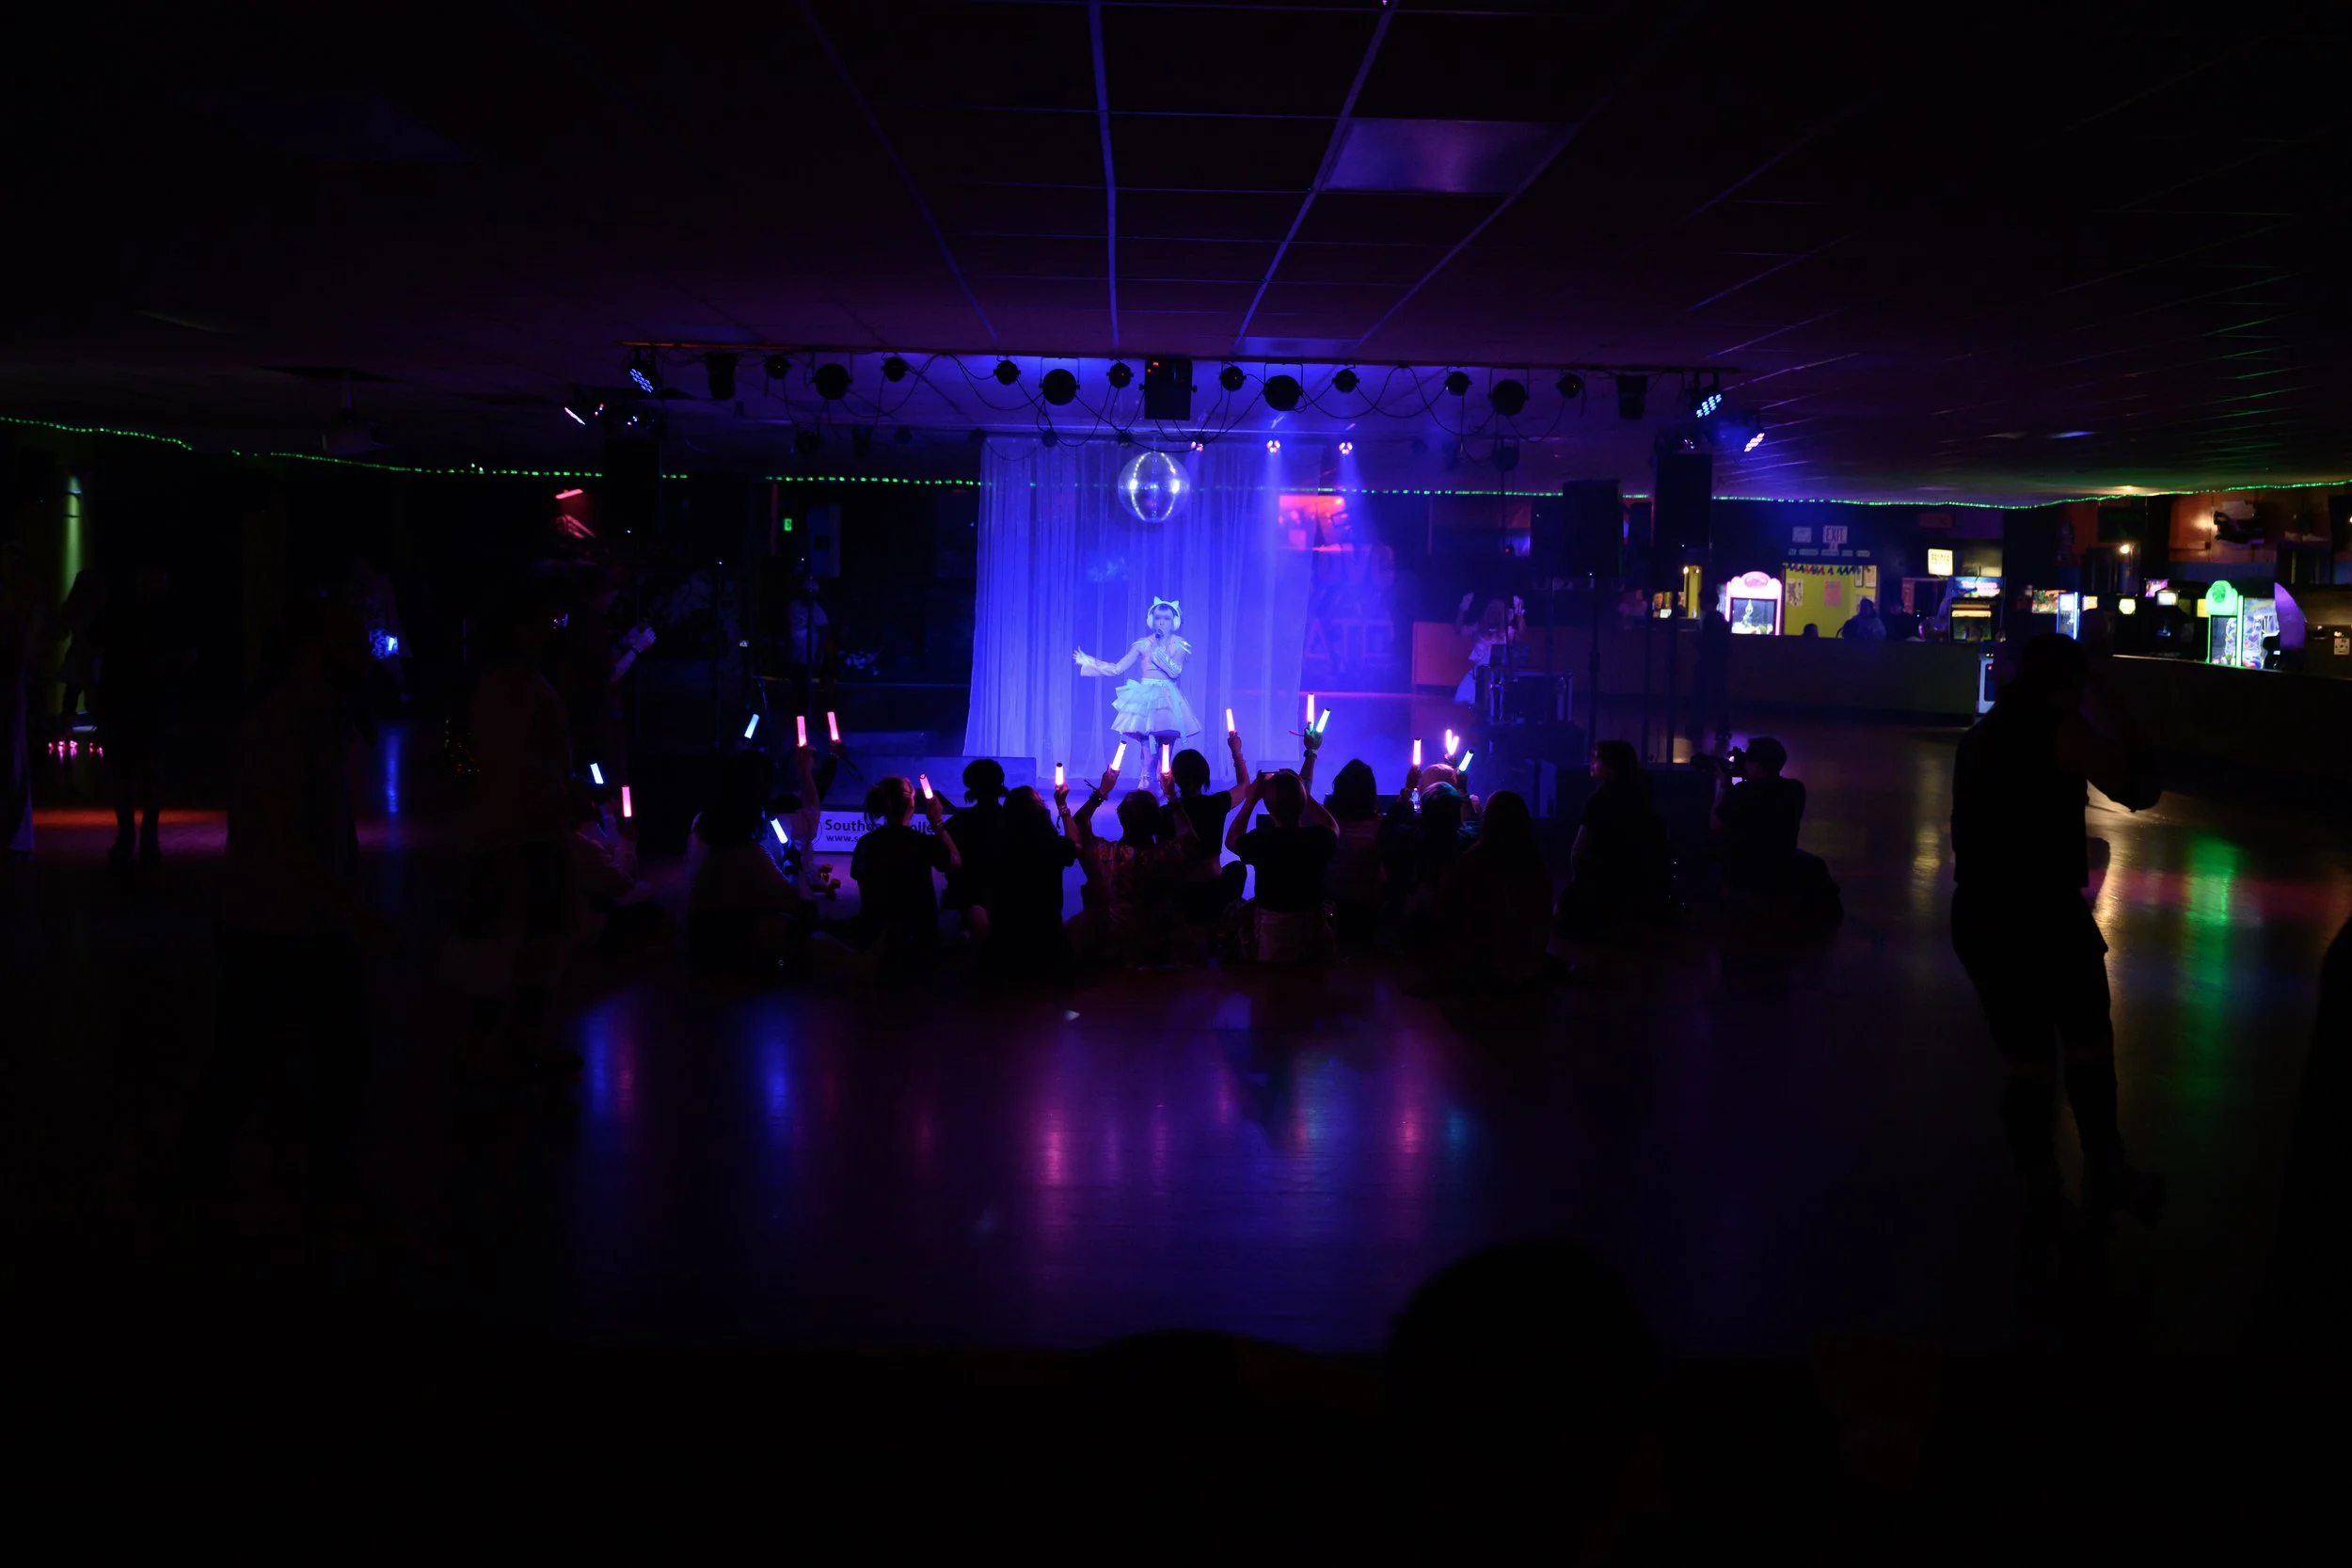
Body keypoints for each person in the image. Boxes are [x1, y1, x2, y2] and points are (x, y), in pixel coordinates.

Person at [169, 599, 400, 1213]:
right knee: (283, 1052)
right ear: (312, 650)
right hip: (275, 916)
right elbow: (285, 837)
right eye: (351, 641)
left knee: (267, 1052)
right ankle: (288, 1178)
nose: (363, 653)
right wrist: (351, 909)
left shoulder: (312, 716)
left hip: (280, 913)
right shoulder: (286, 724)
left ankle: (215, 1178)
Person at [1951, 632, 2162, 1228]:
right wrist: (2117, 706)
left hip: (1982, 914)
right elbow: (2139, 787)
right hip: (2042, 914)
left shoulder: (1981, 738)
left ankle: (2041, 1190)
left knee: (2028, 1063)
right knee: (2090, 1046)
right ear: (2069, 686)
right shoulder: (2062, 729)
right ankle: (2106, 1169)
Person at [451, 583, 578, 1083]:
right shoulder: (514, 685)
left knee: (519, 941)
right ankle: (500, 1047)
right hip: (521, 833)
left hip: (519, 828)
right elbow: (509, 768)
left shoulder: (507, 680)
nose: (555, 627)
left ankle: (502, 1047)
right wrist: (555, 802)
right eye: (547, 617)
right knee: (520, 942)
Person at [93, 562, 194, 876]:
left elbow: (96, 650)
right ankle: (143, 836)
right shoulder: (166, 616)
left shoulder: (124, 613)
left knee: (134, 771)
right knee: (142, 771)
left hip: (138, 703)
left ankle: (133, 836)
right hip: (140, 703)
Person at [686, 748, 820, 972]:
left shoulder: (699, 826)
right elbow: (801, 907)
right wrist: (805, 772)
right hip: (729, 950)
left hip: (697, 938)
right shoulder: (752, 849)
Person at [1059, 756, 1193, 965]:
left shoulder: (1104, 854)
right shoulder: (1166, 856)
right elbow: (1190, 839)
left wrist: (1102, 792)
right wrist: (1173, 798)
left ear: (1121, 818)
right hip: (1156, 950)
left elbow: (1079, 824)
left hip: (1109, 950)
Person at [1431, 790, 1556, 990]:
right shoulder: (1536, 863)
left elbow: (1451, 914)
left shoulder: (1474, 861)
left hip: (1484, 969)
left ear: (1490, 819)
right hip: (1528, 967)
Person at [1556, 741, 1672, 941]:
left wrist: (1579, 886)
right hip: (1636, 888)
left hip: (1600, 885)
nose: (1591, 762)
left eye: (1596, 758)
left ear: (1611, 768)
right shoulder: (1643, 797)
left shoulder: (1600, 800)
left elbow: (1578, 851)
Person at [1224, 768, 1339, 963]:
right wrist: (1304, 793)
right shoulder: (1316, 839)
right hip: (1312, 945)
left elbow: (1232, 839)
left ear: (1269, 808)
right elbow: (1333, 828)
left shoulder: (1262, 841)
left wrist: (1251, 799)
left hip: (1270, 945)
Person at [849, 775, 958, 962]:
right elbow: (955, 862)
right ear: (910, 804)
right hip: (919, 937)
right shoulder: (923, 842)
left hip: (875, 934)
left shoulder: (865, 843)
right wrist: (938, 824)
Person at [1075, 596, 1200, 760]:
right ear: (1151, 620)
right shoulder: (1142, 644)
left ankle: (1165, 779)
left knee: (1166, 749)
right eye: (1158, 618)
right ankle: (1146, 777)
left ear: (1174, 622)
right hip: (1145, 697)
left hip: (1167, 698)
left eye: (1166, 619)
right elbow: (1118, 668)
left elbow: (1174, 671)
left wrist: (1157, 650)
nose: (1161, 622)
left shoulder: (1180, 645)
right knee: (1146, 746)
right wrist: (1090, 662)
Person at [981, 784, 1080, 980]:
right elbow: (1076, 845)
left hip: (1004, 941)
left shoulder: (997, 847)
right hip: (1047, 938)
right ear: (1041, 813)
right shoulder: (1051, 846)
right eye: (1040, 800)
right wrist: (1062, 806)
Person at [1166, 730, 1252, 927]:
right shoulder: (1216, 803)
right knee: (1238, 869)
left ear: (1175, 778)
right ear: (1205, 777)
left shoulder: (1166, 813)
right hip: (1214, 889)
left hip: (1182, 892)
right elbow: (1245, 785)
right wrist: (1236, 752)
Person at [1708, 736, 1805, 895]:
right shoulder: (1795, 789)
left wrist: (1725, 784)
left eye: (1748, 760)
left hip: (1745, 875)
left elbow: (1716, 824)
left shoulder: (1743, 791)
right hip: (1782, 871)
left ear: (1758, 764)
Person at [0, 545, 45, 857]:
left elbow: (24, 646)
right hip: (11, 685)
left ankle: (13, 834)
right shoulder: (23, 599)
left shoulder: (23, 599)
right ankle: (13, 834)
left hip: (9, 685)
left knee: (10, 759)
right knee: (10, 759)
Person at [941, 758, 1009, 942]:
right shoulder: (1015, 822)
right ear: (1000, 781)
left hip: (962, 903)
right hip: (1008, 904)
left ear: (969, 784)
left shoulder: (957, 824)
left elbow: (946, 865)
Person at [1323, 758, 1386, 942]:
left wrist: (1311, 754)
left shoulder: (1327, 825)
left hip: (1332, 911)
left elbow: (1300, 802)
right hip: (1368, 912)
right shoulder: (1381, 828)